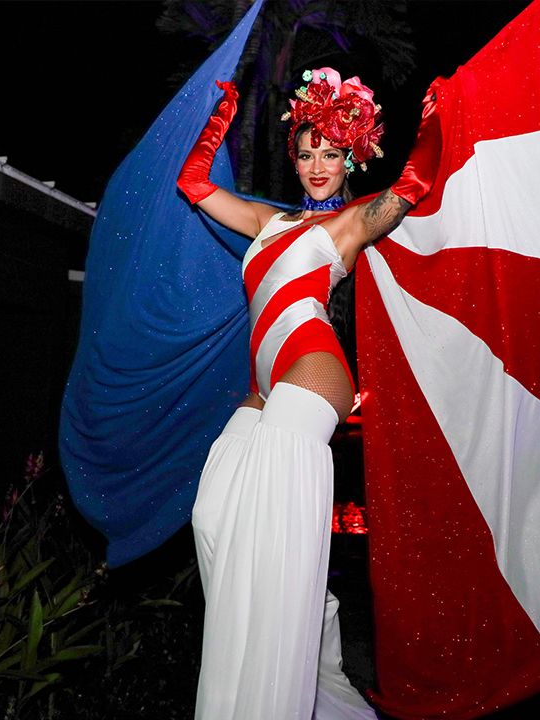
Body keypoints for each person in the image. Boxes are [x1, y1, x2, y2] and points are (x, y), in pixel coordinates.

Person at [176, 67, 440, 719]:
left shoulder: (349, 223)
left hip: (312, 370)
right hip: (262, 387)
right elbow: (194, 184)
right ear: (293, 159)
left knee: (275, 535)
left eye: (330, 152)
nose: (317, 165)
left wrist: (434, 119)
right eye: (306, 152)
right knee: (213, 517)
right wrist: (221, 118)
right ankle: (317, 668)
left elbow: (414, 184)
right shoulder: (267, 219)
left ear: (351, 154)